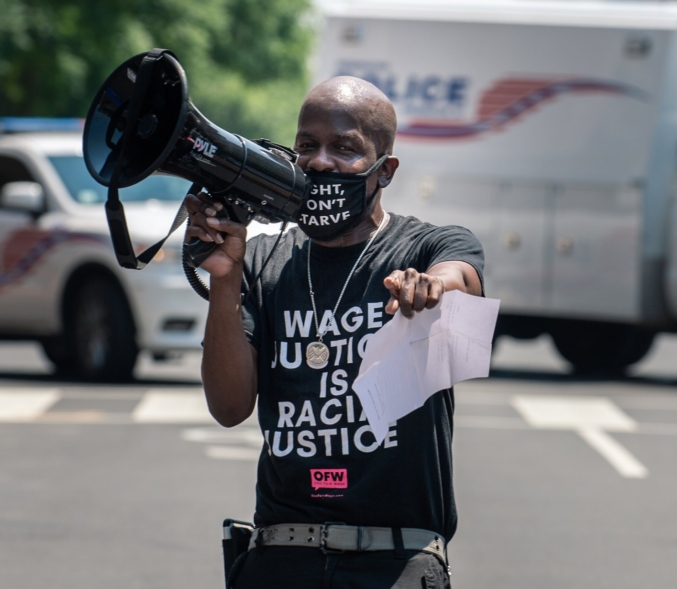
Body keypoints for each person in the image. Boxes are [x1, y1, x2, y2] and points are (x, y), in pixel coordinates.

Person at [184, 76, 484, 589]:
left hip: (397, 562)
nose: (320, 162)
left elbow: (460, 282)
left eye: (344, 148)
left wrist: (434, 287)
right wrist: (224, 277)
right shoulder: (261, 260)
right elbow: (229, 408)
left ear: (384, 171)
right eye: (307, 146)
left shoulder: (429, 246)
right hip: (279, 556)